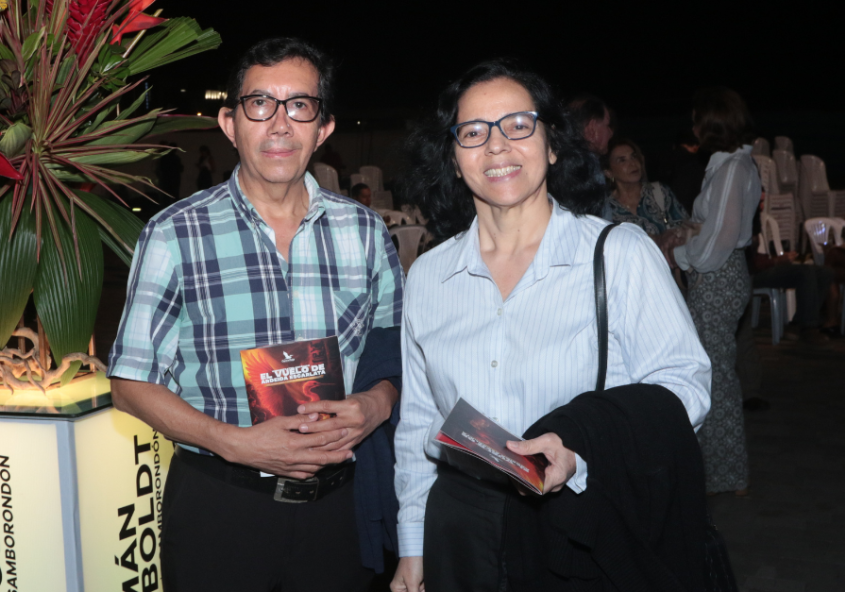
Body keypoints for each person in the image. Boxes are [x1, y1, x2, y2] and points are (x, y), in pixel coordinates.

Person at [391, 59, 711, 592]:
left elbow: (687, 386)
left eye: (518, 125)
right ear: (452, 157)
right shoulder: (428, 275)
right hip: (459, 525)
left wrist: (581, 443)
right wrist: (412, 546)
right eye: (473, 132)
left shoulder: (618, 254)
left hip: (577, 520)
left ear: (553, 144)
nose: (497, 146)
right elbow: (418, 421)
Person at [108, 37, 405, 592]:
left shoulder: (364, 232)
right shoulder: (176, 233)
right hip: (221, 508)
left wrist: (376, 404)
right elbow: (129, 383)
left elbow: (394, 349)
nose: (279, 124)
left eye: (300, 105)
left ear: (324, 128)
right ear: (229, 123)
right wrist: (235, 442)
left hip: (339, 510)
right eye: (259, 104)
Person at [671, 87, 761, 496]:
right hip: (723, 273)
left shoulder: (732, 170)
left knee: (716, 377)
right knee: (715, 372)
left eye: (697, 119)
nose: (692, 126)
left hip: (718, 276)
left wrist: (685, 256)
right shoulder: (731, 165)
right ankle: (720, 471)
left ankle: (726, 475)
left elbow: (719, 240)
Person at [601, 137, 693, 266]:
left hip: (668, 275)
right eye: (622, 160)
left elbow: (687, 228)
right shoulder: (605, 208)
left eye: (633, 157)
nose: (632, 163)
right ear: (608, 172)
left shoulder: (659, 192)